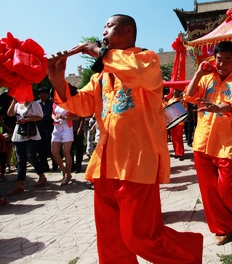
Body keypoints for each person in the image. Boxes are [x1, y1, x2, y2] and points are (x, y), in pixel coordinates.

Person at [47, 14, 203, 263]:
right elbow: (83, 105)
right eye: (103, 28)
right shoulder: (100, 77)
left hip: (137, 164)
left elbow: (136, 73)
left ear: (128, 31)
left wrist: (99, 53)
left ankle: (189, 254)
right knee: (111, 239)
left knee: (140, 237)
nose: (104, 32)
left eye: (109, 26)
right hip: (104, 164)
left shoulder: (147, 60)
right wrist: (57, 81)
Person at [184, 41, 232, 246]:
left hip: (225, 144)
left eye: (227, 60)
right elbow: (189, 95)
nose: (221, 64)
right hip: (201, 142)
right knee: (209, 191)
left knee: (227, 187)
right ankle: (223, 227)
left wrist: (216, 107)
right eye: (219, 59)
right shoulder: (207, 79)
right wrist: (197, 74)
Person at [7, 97, 47, 196]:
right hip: (19, 133)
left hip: (31, 132)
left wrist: (27, 120)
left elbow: (40, 116)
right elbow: (9, 114)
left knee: (30, 156)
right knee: (21, 159)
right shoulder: (16, 104)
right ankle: (20, 184)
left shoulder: (33, 104)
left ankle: (41, 175)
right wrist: (13, 101)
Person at [51, 103, 76, 185]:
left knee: (66, 152)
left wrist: (64, 117)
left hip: (67, 128)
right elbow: (52, 113)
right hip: (57, 128)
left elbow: (77, 116)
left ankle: (68, 174)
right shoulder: (55, 103)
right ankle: (64, 171)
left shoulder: (70, 103)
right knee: (54, 152)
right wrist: (54, 117)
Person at [36, 87, 54, 172]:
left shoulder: (52, 103)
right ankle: (44, 166)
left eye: (45, 93)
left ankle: (55, 163)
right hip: (39, 127)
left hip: (50, 125)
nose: (44, 95)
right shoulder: (36, 104)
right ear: (39, 95)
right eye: (41, 93)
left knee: (50, 145)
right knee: (40, 147)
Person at [167, 89, 186, 160]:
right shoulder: (170, 100)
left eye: (176, 90)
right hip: (172, 121)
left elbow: (184, 109)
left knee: (179, 137)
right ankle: (176, 153)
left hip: (180, 122)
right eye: (174, 90)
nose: (175, 91)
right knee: (174, 138)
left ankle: (181, 153)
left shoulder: (181, 100)